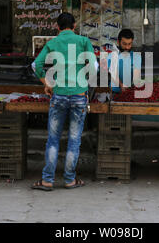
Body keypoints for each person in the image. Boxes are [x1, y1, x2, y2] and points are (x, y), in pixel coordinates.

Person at [31, 12, 97, 191]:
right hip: (79, 96)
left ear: (57, 27)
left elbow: (36, 65)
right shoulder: (83, 42)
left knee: (53, 139)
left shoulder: (52, 43)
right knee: (74, 140)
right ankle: (69, 180)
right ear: (74, 26)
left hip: (58, 95)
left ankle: (47, 180)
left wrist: (47, 83)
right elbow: (94, 67)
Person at [107, 29, 141, 94]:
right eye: (124, 44)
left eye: (129, 44)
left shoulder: (137, 57)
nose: (127, 47)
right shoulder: (111, 56)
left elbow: (136, 75)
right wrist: (121, 85)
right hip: (114, 91)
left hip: (129, 92)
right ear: (118, 42)